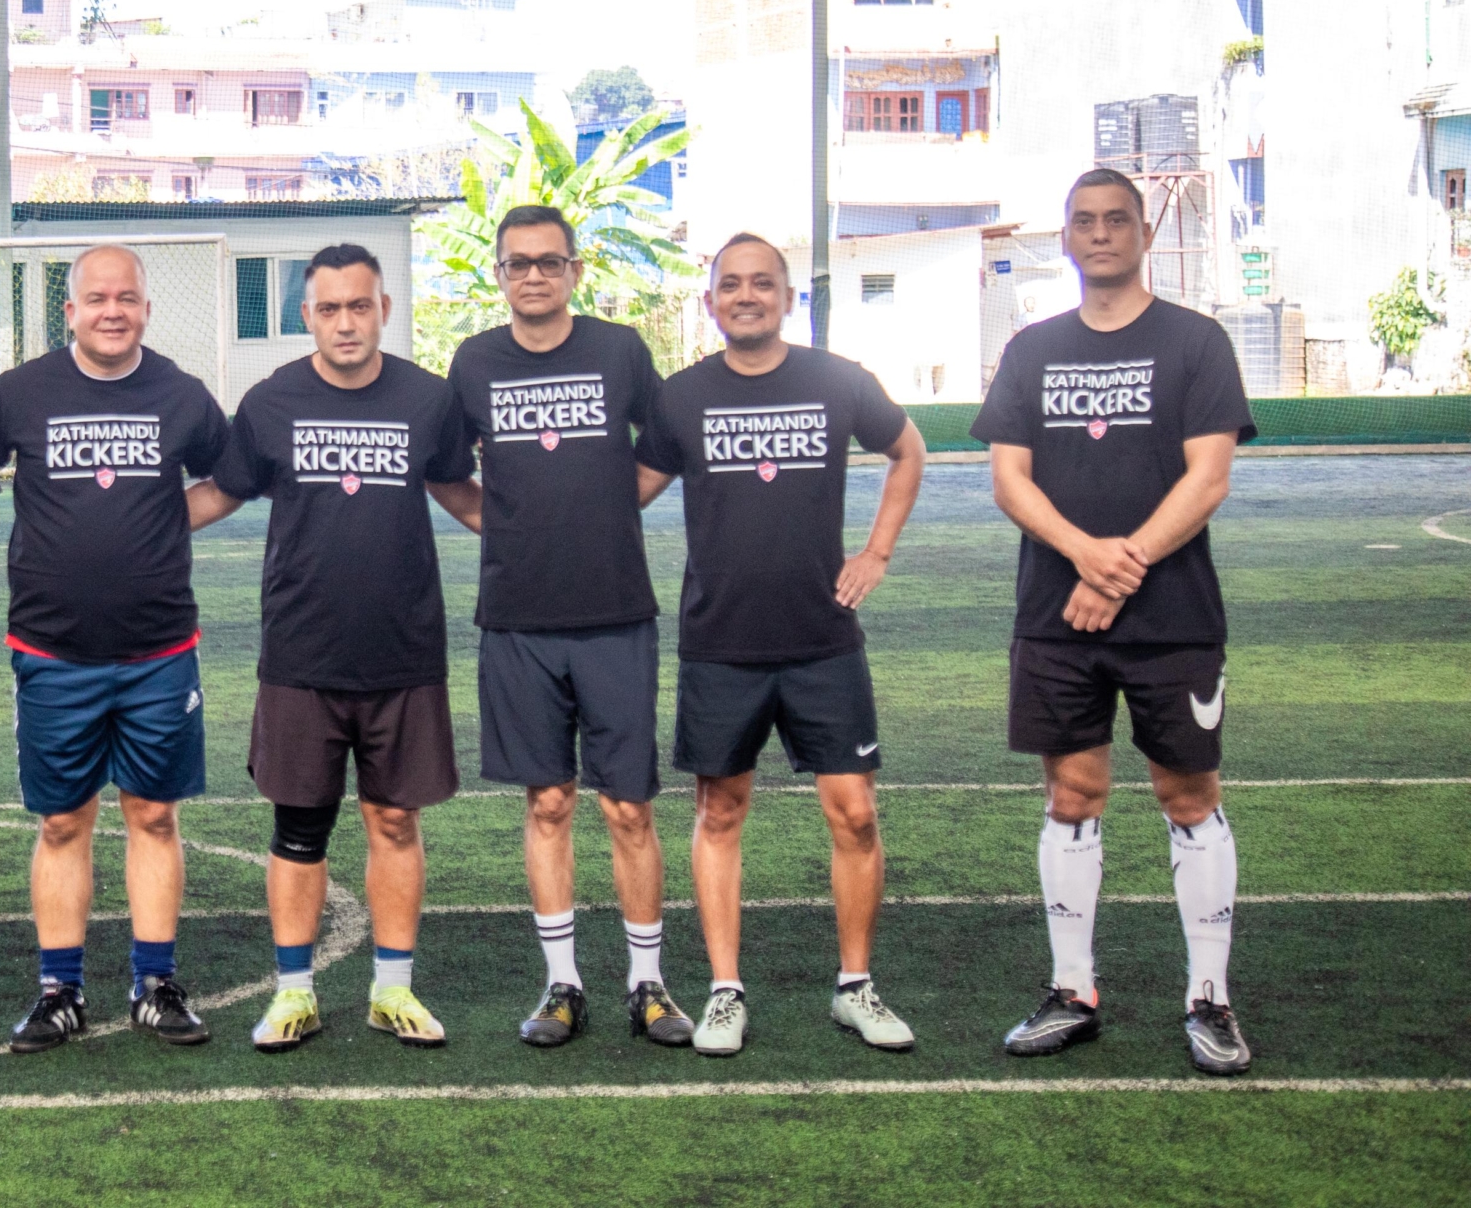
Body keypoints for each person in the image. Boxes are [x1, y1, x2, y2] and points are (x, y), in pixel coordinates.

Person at [973, 168, 1257, 1076]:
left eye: (1116, 220)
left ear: (1143, 233)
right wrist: (1085, 556)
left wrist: (1118, 566)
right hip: (1056, 620)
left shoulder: (1196, 342)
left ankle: (1209, 998)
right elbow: (1009, 480)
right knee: (1072, 796)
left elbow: (1208, 478)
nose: (1100, 234)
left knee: (1190, 797)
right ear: (1066, 238)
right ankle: (1072, 991)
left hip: (1174, 620)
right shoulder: (1031, 350)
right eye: (1084, 222)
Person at [636, 233, 927, 1058]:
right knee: (719, 811)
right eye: (731, 285)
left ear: (789, 297)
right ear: (711, 303)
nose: (747, 296)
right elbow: (625, 493)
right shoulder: (681, 397)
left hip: (821, 639)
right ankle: (724, 991)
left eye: (762, 283)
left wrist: (876, 553)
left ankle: (855, 986)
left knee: (855, 813)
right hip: (720, 642)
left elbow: (908, 451)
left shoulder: (838, 381)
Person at [201, 244, 478, 1052]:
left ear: (383, 309)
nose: (346, 322)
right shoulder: (270, 401)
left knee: (395, 819)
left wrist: (548, 535)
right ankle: (294, 993)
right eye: (329, 309)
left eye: (360, 306)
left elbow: (461, 492)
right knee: (299, 827)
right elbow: (222, 492)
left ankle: (394, 989)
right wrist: (128, 528)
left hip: (403, 651)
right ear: (307, 316)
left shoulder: (428, 399)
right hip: (302, 655)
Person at [0, 243, 234, 1052]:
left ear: (146, 309)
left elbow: (229, 477)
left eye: (126, 298)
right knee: (62, 821)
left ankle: (155, 982)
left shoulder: (181, 394)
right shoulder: (20, 392)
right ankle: (60, 990)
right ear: (71, 311)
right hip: (53, 649)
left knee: (153, 814)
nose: (111, 311)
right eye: (96, 298)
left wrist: (162, 523)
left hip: (159, 648)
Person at [443, 204, 687, 1049]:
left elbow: (665, 444)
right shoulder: (474, 361)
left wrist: (615, 509)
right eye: (519, 263)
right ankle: (562, 985)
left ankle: (649, 984)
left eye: (551, 261)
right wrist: (505, 526)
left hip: (616, 614)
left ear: (576, 270)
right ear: (500, 275)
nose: (535, 275)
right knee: (548, 802)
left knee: (628, 808)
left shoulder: (620, 350)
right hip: (519, 618)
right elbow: (445, 471)